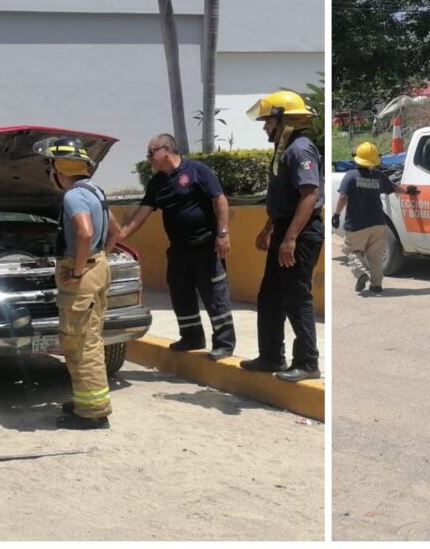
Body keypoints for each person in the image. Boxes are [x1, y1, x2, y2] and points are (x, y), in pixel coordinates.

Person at [111, 134, 236, 360]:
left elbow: (219, 199)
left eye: (152, 153)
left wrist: (223, 233)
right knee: (180, 292)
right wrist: (119, 237)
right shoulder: (157, 182)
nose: (149, 158)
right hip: (179, 249)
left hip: (206, 245)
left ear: (167, 149)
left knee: (215, 294)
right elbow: (142, 213)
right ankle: (191, 337)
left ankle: (224, 343)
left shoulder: (197, 170)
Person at [35, 136, 121, 430]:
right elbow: (116, 231)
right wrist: (98, 259)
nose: (50, 174)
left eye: (50, 167)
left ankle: (92, 413)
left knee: (80, 345)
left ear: (59, 167)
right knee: (91, 339)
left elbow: (84, 233)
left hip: (82, 271)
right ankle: (88, 402)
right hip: (98, 268)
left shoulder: (73, 196)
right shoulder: (96, 191)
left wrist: (78, 269)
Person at [240, 90, 323, 382]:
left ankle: (307, 362)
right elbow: (285, 199)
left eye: (268, 122)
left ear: (283, 121)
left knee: (295, 295)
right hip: (286, 227)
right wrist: (269, 228)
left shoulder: (300, 149)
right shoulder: (286, 148)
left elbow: (309, 195)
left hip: (300, 232)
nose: (265, 128)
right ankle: (271, 355)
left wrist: (290, 239)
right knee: (271, 295)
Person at [332, 141, 418, 294]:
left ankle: (361, 273)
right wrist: (407, 191)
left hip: (356, 224)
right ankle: (376, 285)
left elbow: (343, 197)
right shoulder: (379, 176)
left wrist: (337, 215)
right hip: (378, 223)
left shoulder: (351, 176)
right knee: (376, 256)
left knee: (351, 250)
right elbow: (395, 188)